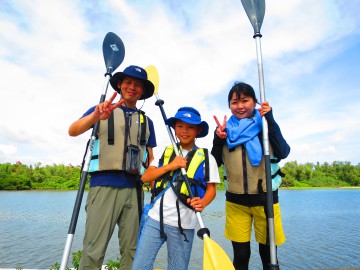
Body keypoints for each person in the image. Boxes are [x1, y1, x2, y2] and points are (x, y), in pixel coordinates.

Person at [68, 65, 157, 270]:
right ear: (119, 85)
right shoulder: (100, 109)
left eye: (138, 84)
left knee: (132, 249)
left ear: (142, 91)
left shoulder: (147, 121)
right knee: (93, 249)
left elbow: (150, 158)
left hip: (134, 190)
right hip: (104, 186)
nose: (132, 87)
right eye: (128, 82)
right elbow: (72, 130)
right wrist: (95, 117)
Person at [211, 82, 290, 270]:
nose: (240, 106)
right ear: (229, 105)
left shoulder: (265, 126)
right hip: (236, 202)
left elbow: (283, 151)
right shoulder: (225, 132)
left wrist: (270, 120)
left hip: (266, 200)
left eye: (245, 101)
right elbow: (213, 164)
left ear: (255, 102)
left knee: (269, 255)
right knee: (241, 255)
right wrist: (217, 139)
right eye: (234, 102)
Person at [131, 107, 221, 270]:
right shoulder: (165, 152)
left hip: (184, 225)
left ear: (198, 130)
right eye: (180, 126)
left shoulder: (208, 157)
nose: (184, 131)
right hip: (155, 219)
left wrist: (203, 203)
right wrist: (170, 166)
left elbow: (211, 190)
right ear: (174, 128)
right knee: (139, 266)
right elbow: (145, 177)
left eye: (190, 127)